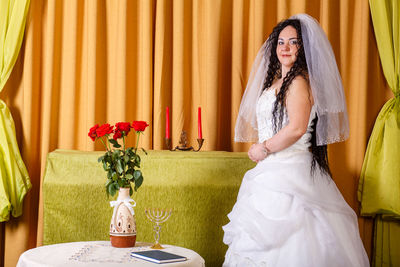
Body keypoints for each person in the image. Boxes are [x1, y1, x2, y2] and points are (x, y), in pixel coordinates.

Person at [222, 14, 369, 267]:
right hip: (271, 171)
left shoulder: (299, 81)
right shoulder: (278, 82)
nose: (286, 48)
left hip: (291, 170)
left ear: (303, 48)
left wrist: (264, 148)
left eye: (293, 42)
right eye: (281, 42)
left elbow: (298, 128)